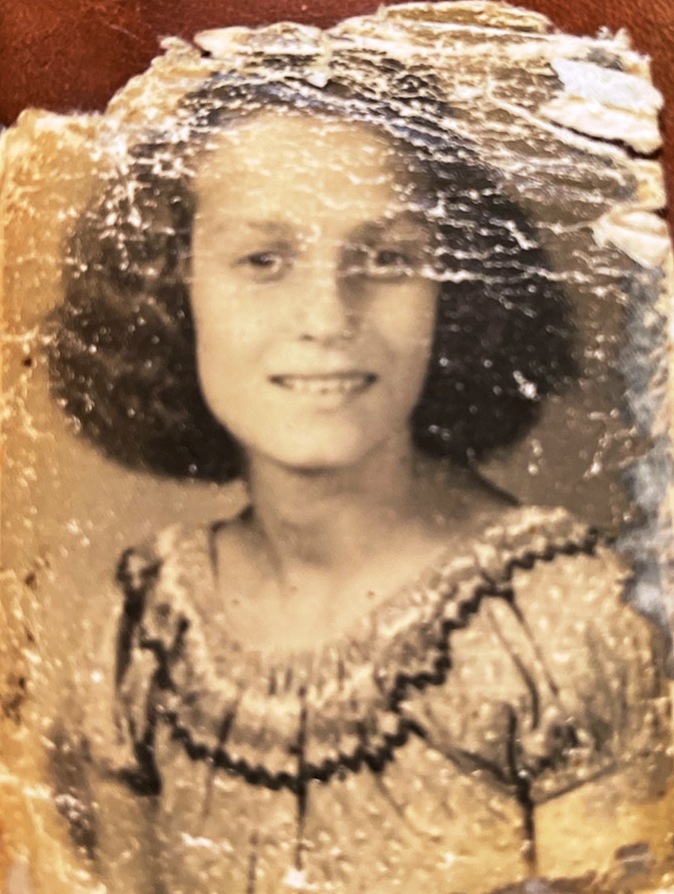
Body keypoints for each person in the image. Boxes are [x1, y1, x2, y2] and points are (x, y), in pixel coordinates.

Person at [46, 47, 673, 894]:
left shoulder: (564, 623)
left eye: (385, 258)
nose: (325, 318)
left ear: (454, 290)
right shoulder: (141, 629)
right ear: (173, 285)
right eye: (263, 260)